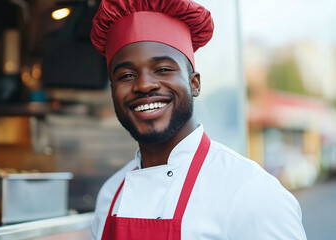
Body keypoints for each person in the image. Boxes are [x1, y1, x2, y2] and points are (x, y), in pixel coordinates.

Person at [89, 0, 307, 239]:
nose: (143, 85)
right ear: (113, 92)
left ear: (194, 84)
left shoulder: (251, 193)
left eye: (163, 69)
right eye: (127, 75)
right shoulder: (109, 195)